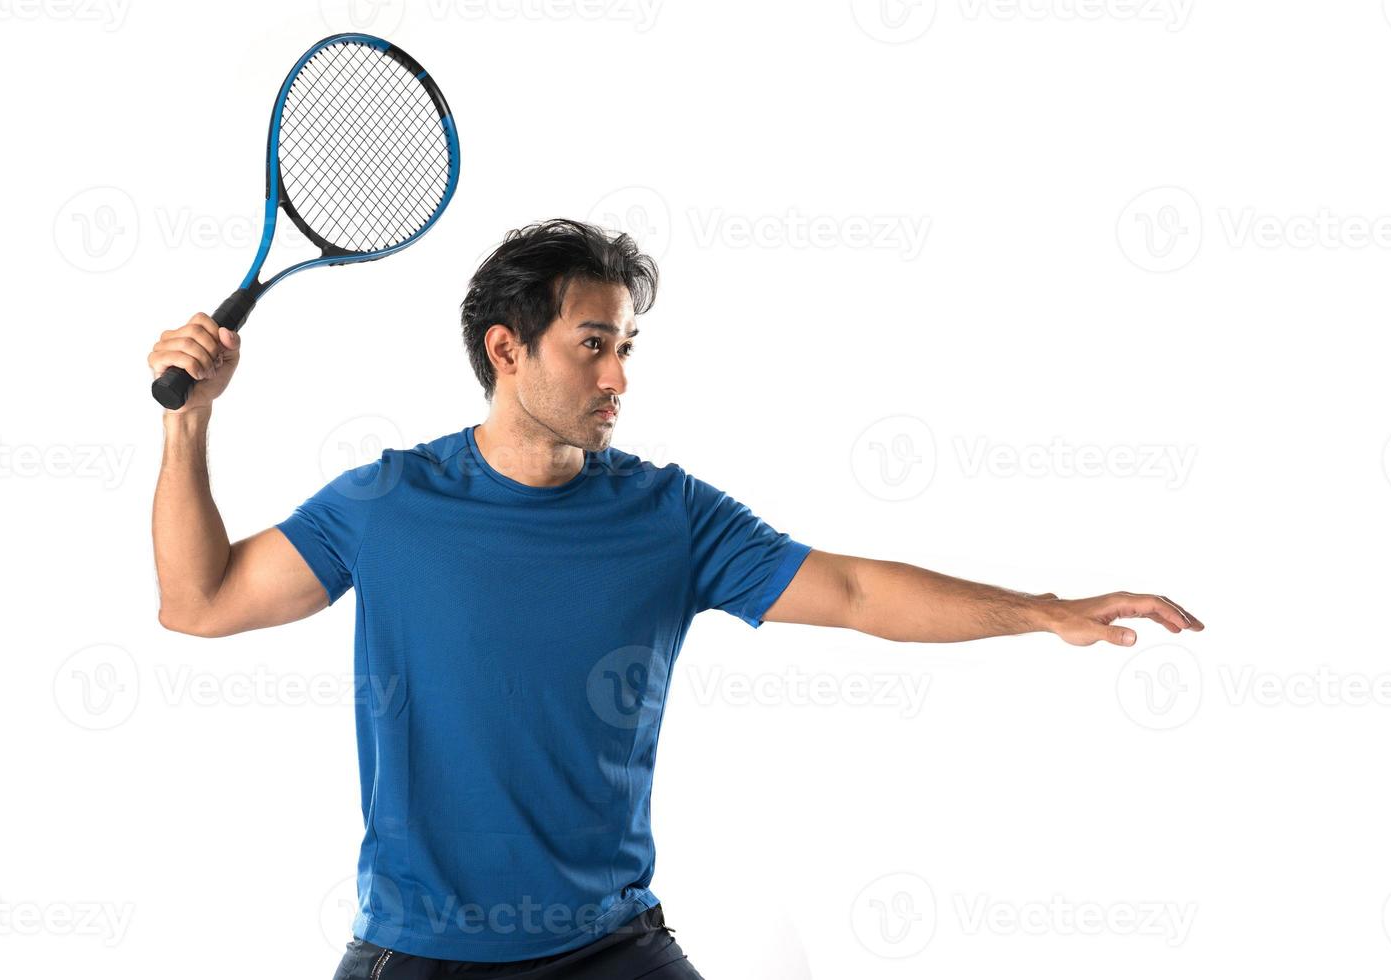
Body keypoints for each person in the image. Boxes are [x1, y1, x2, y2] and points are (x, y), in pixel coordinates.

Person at [148, 218, 1203, 978]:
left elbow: (848, 587)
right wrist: (188, 424)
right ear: (505, 350)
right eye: (592, 344)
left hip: (612, 943)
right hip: (423, 954)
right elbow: (199, 600)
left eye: (626, 347)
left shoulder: (669, 513)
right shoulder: (386, 503)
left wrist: (1039, 607)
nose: (618, 378)